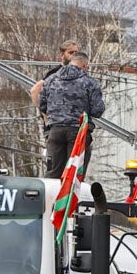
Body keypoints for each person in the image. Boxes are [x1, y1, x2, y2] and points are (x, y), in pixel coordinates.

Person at [38, 50, 105, 179]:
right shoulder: (90, 82)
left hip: (55, 132)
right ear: (85, 65)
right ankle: (71, 199)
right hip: (78, 133)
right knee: (74, 177)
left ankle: (51, 199)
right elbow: (98, 111)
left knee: (52, 174)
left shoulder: (51, 80)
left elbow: (42, 105)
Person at [30, 40, 79, 110]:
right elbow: (34, 91)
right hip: (59, 118)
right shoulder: (56, 72)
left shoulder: (79, 73)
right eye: (71, 52)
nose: (74, 55)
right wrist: (44, 113)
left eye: (76, 52)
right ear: (62, 55)